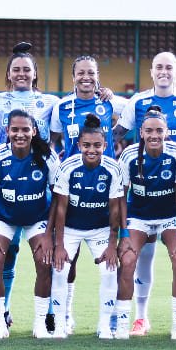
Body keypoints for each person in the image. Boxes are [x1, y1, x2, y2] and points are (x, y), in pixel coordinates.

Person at [115, 52, 176, 335]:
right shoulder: (137, 102)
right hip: (142, 200)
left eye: (169, 67)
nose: (164, 72)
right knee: (140, 258)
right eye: (159, 67)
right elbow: (117, 132)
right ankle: (140, 318)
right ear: (151, 71)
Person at [0, 44, 60, 330]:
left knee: (44, 254)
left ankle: (49, 315)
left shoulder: (51, 102)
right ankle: (3, 312)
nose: (21, 73)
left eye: (26, 69)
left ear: (35, 74)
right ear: (8, 73)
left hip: (36, 183)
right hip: (5, 180)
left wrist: (104, 91)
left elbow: (53, 138)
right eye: (16, 69)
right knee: (8, 252)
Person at [50, 114, 128, 338]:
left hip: (101, 229)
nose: (91, 150)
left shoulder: (113, 168)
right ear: (78, 145)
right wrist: (60, 244)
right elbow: (61, 209)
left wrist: (113, 245)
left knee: (109, 272)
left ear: (106, 145)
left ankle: (104, 325)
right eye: (86, 145)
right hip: (71, 228)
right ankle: (61, 322)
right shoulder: (67, 168)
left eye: (97, 145)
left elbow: (115, 210)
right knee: (60, 270)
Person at [50, 55, 127, 159]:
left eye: (91, 73)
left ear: (97, 76)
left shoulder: (108, 101)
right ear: (73, 77)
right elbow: (52, 138)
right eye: (81, 73)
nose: (86, 77)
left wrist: (111, 138)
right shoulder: (61, 106)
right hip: (71, 172)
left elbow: (136, 109)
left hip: (105, 172)